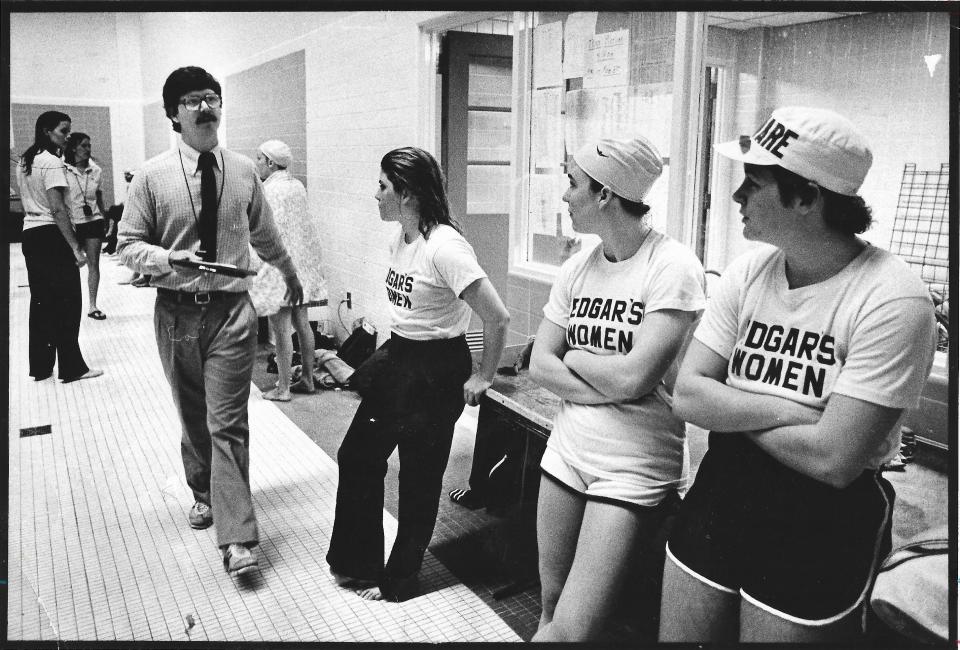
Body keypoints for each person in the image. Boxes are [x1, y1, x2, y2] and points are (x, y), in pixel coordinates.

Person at [660, 107, 937, 643]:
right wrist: (798, 412)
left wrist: (733, 404)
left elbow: (835, 460)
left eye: (754, 183)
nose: (737, 196)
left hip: (823, 518)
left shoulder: (893, 298)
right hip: (724, 488)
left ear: (807, 198)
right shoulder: (749, 272)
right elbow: (688, 395)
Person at [118, 66, 303, 577]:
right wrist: (164, 259)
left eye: (212, 98)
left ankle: (238, 538)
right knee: (193, 416)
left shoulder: (243, 170)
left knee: (228, 423)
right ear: (173, 114)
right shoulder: (153, 176)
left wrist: (291, 275)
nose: (206, 108)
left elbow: (265, 235)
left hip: (231, 313)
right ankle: (203, 490)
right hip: (176, 313)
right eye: (193, 101)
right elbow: (126, 246)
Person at [527, 136, 705, 641]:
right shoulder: (578, 267)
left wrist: (579, 358)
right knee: (550, 607)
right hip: (567, 450)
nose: (564, 196)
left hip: (633, 468)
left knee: (574, 631)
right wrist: (615, 379)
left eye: (572, 184)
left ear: (604, 194)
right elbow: (541, 363)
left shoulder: (671, 267)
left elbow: (638, 377)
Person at [326, 146, 509, 602]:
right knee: (358, 456)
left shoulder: (445, 247)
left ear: (406, 193)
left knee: (418, 477)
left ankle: (401, 577)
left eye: (383, 186)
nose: (377, 194)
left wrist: (482, 376)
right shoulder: (402, 238)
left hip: (437, 368)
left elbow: (497, 317)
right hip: (400, 357)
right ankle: (359, 563)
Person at [15, 110, 103, 383]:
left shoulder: (24, 161)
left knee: (41, 303)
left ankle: (41, 367)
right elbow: (57, 210)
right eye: (63, 132)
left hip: (30, 234)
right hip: (52, 237)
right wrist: (76, 248)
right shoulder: (52, 162)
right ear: (47, 131)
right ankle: (72, 367)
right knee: (67, 303)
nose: (67, 137)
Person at [249, 139, 327, 401]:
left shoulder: (269, 191)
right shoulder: (297, 186)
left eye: (259, 159)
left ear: (270, 162)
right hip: (301, 265)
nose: (257, 164)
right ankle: (307, 378)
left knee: (281, 328)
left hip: (281, 269)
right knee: (302, 323)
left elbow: (269, 234)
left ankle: (283, 388)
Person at [63, 132, 108, 320]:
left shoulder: (96, 170)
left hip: (93, 221)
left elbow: (98, 197)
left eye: (89, 146)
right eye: (84, 146)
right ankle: (67, 305)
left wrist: (105, 219)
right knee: (69, 265)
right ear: (74, 148)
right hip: (72, 222)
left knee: (93, 264)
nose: (88, 149)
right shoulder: (62, 169)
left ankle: (92, 305)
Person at [103, 169, 135, 256]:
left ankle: (110, 231)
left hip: (130, 209)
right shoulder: (129, 185)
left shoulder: (132, 185)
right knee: (114, 211)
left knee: (114, 212)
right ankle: (110, 231)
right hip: (126, 207)